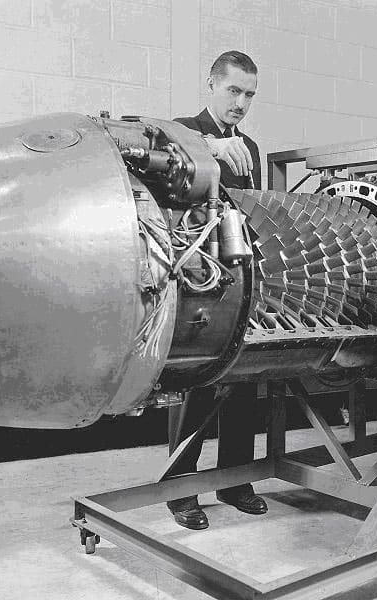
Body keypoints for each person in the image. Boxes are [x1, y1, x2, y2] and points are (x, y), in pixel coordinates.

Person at [165, 50, 266, 531]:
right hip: (196, 280)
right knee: (195, 384)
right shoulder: (183, 131)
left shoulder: (252, 147)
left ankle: (235, 480)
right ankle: (179, 487)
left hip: (241, 277)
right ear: (211, 85)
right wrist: (210, 148)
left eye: (249, 94)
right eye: (233, 91)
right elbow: (164, 173)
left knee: (243, 381)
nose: (240, 103)